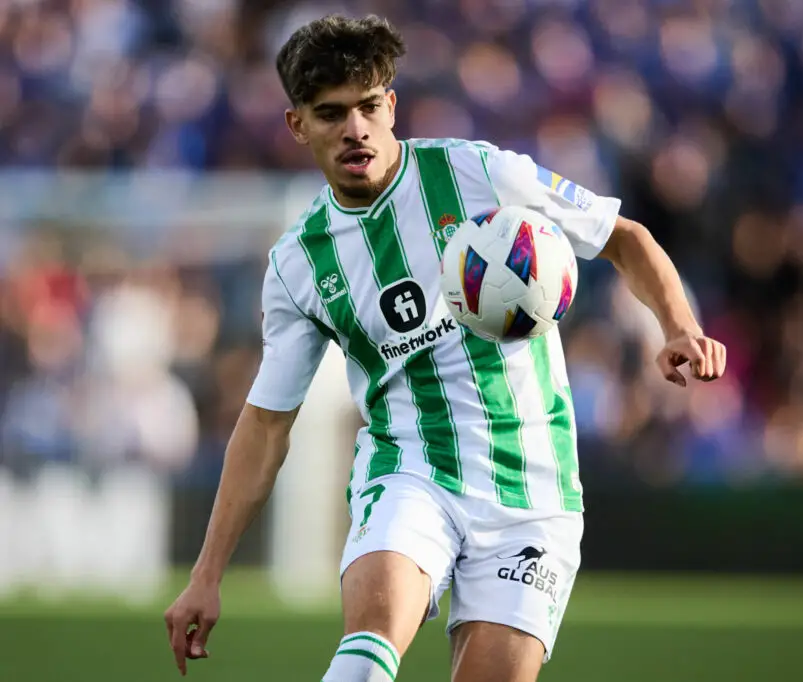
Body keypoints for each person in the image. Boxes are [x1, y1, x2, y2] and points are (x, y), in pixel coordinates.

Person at [163, 13, 727, 682]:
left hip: (532, 487)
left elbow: (624, 237)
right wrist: (207, 574)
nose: (355, 129)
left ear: (391, 105)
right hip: (410, 470)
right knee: (369, 644)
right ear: (298, 125)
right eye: (331, 113)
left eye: (368, 107)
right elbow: (265, 423)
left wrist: (678, 326)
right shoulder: (299, 263)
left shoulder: (477, 173)